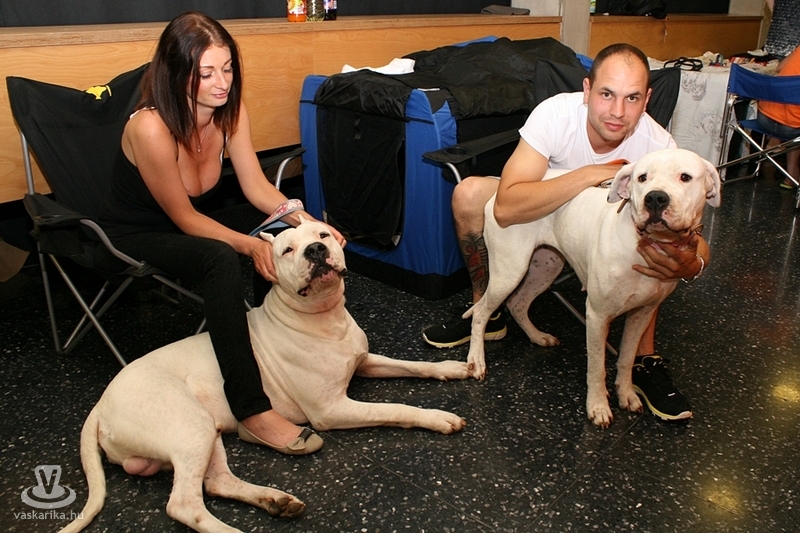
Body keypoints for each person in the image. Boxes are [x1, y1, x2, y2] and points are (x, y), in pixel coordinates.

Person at [98, 12, 345, 454]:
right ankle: (252, 410)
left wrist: (308, 223)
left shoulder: (229, 112)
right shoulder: (150, 127)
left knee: (278, 234)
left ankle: (283, 357)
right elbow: (185, 220)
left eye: (228, 68)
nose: (222, 83)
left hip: (191, 219)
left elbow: (256, 188)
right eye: (207, 72)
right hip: (136, 232)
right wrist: (250, 245)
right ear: (177, 74)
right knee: (222, 257)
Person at [422, 43, 710, 421]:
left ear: (646, 100)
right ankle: (487, 312)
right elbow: (506, 207)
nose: (617, 111)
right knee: (471, 195)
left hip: (599, 224)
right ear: (587, 90)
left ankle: (643, 363)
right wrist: (591, 175)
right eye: (607, 94)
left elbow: (694, 236)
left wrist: (693, 263)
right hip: (540, 205)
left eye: (632, 98)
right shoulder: (556, 113)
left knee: (656, 269)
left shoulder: (660, 150)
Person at [756, 45, 800, 189]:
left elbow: (780, 67)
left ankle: (791, 175)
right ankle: (791, 173)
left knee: (792, 114)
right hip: (792, 127)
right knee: (794, 122)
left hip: (765, 119)